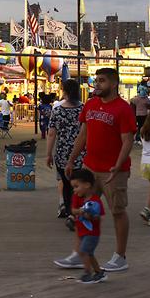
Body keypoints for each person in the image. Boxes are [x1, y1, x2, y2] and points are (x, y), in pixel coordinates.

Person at [58, 68, 136, 273]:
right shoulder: (91, 105)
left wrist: (118, 165)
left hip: (113, 171)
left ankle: (120, 256)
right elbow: (83, 134)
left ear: (114, 84)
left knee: (117, 211)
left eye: (102, 81)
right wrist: (71, 160)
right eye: (96, 80)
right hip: (89, 167)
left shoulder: (123, 108)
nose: (97, 84)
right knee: (83, 210)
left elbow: (127, 140)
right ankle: (79, 253)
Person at [46, 79, 84, 228]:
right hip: (81, 152)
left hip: (62, 153)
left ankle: (69, 212)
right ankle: (77, 214)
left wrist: (48, 154)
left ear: (65, 92)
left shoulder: (57, 110)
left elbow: (51, 134)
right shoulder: (84, 109)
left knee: (67, 185)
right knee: (80, 184)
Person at [69, 169, 108, 284]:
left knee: (83, 252)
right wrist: (80, 211)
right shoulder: (77, 197)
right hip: (81, 232)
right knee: (89, 253)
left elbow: (100, 216)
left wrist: (91, 215)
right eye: (73, 187)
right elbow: (73, 210)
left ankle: (88, 273)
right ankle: (99, 272)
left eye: (76, 186)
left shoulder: (95, 201)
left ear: (87, 185)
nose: (74, 190)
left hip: (92, 233)